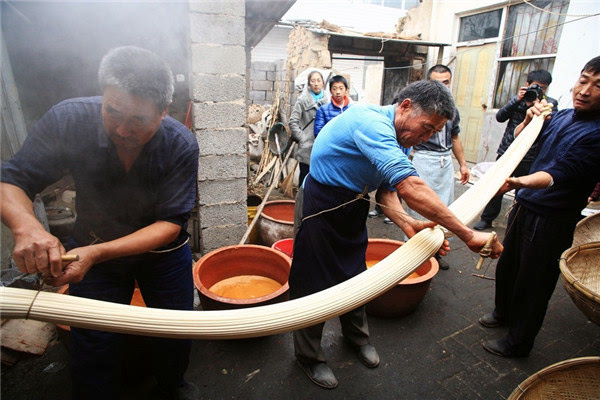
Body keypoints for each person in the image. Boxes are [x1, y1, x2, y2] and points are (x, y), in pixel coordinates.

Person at [0, 46, 200, 400]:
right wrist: (26, 227)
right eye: (113, 111)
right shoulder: (69, 119)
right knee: (92, 339)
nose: (122, 129)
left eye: (138, 119)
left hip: (163, 255)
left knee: (174, 330)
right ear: (104, 95)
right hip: (92, 245)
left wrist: (94, 254)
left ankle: (173, 387)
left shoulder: (180, 144)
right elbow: (11, 181)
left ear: (164, 111)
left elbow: (169, 223)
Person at [290, 80, 503, 390]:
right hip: (319, 207)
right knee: (313, 283)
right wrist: (467, 234)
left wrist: (407, 224)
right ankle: (309, 356)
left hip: (353, 205)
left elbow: (389, 190)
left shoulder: (402, 135)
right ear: (405, 106)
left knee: (355, 276)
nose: (426, 137)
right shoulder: (370, 122)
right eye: (427, 128)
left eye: (433, 133)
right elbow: (411, 187)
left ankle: (356, 339)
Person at [479, 56, 600, 358]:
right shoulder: (562, 116)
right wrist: (528, 119)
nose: (585, 90)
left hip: (552, 217)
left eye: (598, 86)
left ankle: (519, 342)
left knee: (534, 281)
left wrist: (515, 182)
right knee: (509, 267)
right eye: (583, 80)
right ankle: (503, 313)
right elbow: (523, 139)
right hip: (525, 207)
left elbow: (555, 175)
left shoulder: (597, 134)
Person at [474, 70, 558, 231]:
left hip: (530, 155)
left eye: (543, 88)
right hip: (508, 150)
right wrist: (517, 100)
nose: (539, 90)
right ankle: (487, 218)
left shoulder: (549, 104)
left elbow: (550, 127)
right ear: (527, 84)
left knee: (523, 190)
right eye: (535, 86)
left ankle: (516, 223)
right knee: (496, 185)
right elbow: (500, 117)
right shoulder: (518, 99)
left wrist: (539, 105)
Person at [408, 64, 470, 270]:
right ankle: (413, 256)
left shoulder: (453, 111)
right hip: (424, 160)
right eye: (437, 84)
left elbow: (455, 138)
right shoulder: (420, 110)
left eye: (446, 83)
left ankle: (436, 253)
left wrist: (462, 165)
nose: (442, 88)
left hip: (445, 162)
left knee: (443, 210)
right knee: (420, 209)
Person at [289, 70, 329, 186]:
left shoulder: (328, 102)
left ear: (323, 83)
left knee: (320, 180)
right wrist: (302, 138)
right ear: (309, 83)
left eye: (318, 80)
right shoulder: (302, 100)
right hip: (306, 148)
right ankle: (303, 203)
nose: (316, 83)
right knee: (305, 180)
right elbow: (293, 122)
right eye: (313, 81)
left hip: (322, 147)